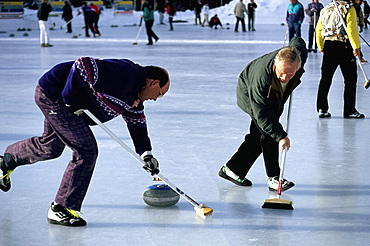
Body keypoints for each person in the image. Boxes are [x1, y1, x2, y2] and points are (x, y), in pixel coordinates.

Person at [0, 57, 170, 226]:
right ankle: (61, 208)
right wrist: (71, 99)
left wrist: (146, 154)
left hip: (63, 101)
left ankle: (6, 160)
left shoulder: (136, 96)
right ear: (154, 83)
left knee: (51, 147)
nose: (155, 99)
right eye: (160, 94)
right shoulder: (125, 74)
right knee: (86, 150)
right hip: (55, 97)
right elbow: (84, 64)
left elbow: (137, 124)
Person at [219, 37, 307, 191]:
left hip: (274, 94)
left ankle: (232, 169)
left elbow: (297, 42)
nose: (285, 78)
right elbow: (263, 116)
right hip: (250, 94)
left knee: (257, 135)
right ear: (275, 63)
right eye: (281, 73)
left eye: (290, 75)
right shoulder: (261, 79)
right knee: (268, 133)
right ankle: (274, 178)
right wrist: (281, 136)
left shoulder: (298, 56)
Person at [316, 0, 365, 118]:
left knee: (326, 78)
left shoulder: (326, 9)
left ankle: (322, 108)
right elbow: (351, 29)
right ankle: (349, 110)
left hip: (329, 45)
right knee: (350, 78)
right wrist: (356, 47)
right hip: (344, 45)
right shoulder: (349, 8)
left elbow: (318, 29)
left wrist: (321, 46)